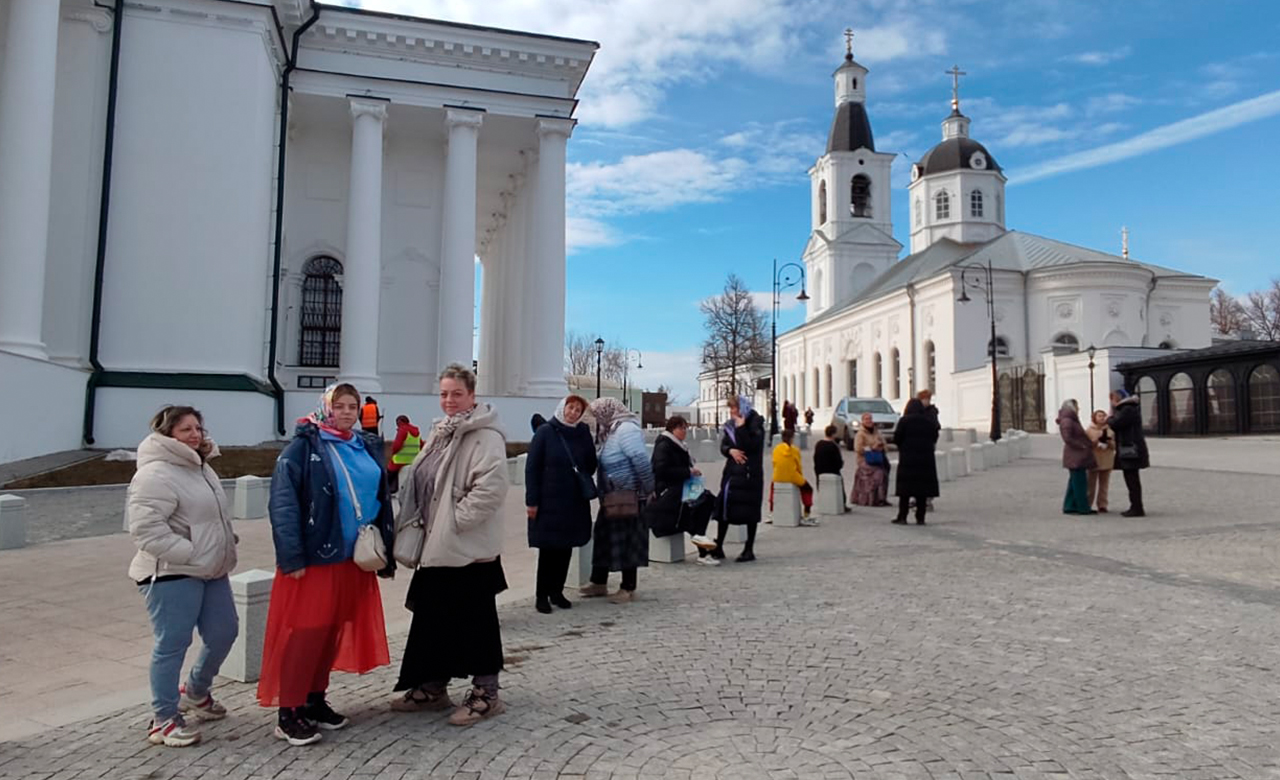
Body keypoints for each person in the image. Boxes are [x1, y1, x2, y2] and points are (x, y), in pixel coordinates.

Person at [259, 383, 395, 746]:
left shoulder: (363, 445)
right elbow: (284, 505)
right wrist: (292, 557)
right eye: (340, 406)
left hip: (353, 558)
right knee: (307, 633)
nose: (347, 412)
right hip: (316, 558)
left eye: (353, 406)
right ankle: (289, 711)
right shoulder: (303, 449)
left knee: (331, 630)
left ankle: (314, 698)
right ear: (325, 408)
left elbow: (381, 496)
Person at [392, 364, 510, 726]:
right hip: (436, 545)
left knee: (476, 621)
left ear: (472, 396)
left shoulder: (484, 436)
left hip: (467, 549)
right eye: (444, 393)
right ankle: (433, 684)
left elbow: (490, 488)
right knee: (433, 618)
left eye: (457, 393)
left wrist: (456, 521)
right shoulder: (440, 432)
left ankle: (486, 693)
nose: (449, 400)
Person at [127, 405, 239, 747]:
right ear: (167, 435)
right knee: (172, 644)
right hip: (171, 573)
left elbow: (209, 517)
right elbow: (146, 530)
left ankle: (196, 691)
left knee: (224, 632)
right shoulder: (154, 473)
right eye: (185, 430)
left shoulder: (201, 467)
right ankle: (163, 718)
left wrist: (222, 542)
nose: (195, 435)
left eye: (198, 428)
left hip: (211, 569)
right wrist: (192, 553)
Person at [525, 395, 597, 614]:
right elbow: (532, 468)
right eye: (571, 407)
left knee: (566, 547)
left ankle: (557, 591)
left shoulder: (582, 432)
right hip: (548, 501)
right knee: (548, 550)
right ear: (562, 407)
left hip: (572, 500)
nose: (573, 412)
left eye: (578, 410)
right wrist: (532, 501)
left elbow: (591, 463)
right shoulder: (546, 432)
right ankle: (541, 595)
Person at [580, 397, 654, 603]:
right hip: (612, 496)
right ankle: (598, 581)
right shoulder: (611, 430)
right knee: (604, 538)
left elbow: (640, 459)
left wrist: (648, 488)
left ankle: (628, 587)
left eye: (596, 415)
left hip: (628, 496)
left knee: (628, 542)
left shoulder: (626, 430)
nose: (594, 420)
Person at [649, 415, 719, 564]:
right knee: (695, 506)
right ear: (672, 429)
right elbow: (661, 470)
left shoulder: (679, 445)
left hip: (682, 487)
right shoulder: (665, 445)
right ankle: (702, 546)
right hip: (668, 491)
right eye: (681, 428)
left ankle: (701, 540)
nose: (684, 431)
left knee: (707, 500)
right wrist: (688, 472)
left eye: (685, 428)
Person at [713, 395, 766, 562]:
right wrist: (730, 451)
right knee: (724, 508)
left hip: (750, 474)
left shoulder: (756, 424)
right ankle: (718, 545)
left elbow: (751, 445)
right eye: (730, 409)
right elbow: (724, 445)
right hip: (732, 473)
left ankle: (748, 549)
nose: (732, 412)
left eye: (734, 408)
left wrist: (742, 428)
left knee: (750, 511)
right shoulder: (730, 426)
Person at [891, 399, 940, 525]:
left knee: (905, 490)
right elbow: (935, 436)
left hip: (908, 459)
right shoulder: (929, 421)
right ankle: (920, 517)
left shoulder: (904, 421)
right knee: (922, 491)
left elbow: (897, 438)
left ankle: (902, 516)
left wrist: (904, 446)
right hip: (925, 460)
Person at [1107, 389, 1149, 517]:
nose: (1112, 403)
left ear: (1117, 399)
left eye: (1112, 400)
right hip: (1131, 447)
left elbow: (1116, 423)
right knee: (1131, 478)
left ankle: (1137, 507)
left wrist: (1109, 418)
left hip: (1130, 448)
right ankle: (1135, 506)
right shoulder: (1129, 408)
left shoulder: (1127, 409)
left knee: (1132, 479)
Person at [1057, 399, 1097, 516]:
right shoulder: (1068, 421)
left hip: (1076, 454)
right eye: (1077, 406)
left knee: (1074, 481)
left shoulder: (1070, 419)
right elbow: (1067, 438)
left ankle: (1069, 505)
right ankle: (1082, 507)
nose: (1079, 408)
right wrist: (1082, 445)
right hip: (1076, 455)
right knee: (1080, 482)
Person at [770, 429, 816, 525]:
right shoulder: (794, 450)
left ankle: (772, 512)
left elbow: (774, 463)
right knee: (808, 489)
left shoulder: (776, 449)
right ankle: (807, 514)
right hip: (792, 476)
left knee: (773, 489)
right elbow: (798, 466)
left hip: (777, 476)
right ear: (792, 439)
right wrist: (800, 477)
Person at [850, 412, 890, 507]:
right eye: (866, 419)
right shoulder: (860, 434)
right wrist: (872, 448)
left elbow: (885, 445)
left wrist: (881, 447)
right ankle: (873, 499)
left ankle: (882, 498)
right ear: (863, 421)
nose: (869, 421)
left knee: (885, 471)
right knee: (878, 473)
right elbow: (858, 448)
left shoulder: (877, 432)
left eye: (870, 419)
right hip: (865, 460)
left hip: (878, 459)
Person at [1086, 409, 1116, 513]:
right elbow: (1087, 444)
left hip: (1106, 459)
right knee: (1091, 484)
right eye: (1099, 416)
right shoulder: (1089, 430)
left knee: (1104, 484)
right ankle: (1088, 504)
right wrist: (1096, 441)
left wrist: (1109, 443)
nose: (1102, 418)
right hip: (1094, 459)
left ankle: (1102, 504)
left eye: (1103, 416)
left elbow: (1114, 445)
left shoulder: (1109, 430)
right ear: (1094, 417)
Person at [813, 424, 847, 513]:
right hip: (832, 471)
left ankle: (824, 502)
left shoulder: (819, 444)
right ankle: (841, 504)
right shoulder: (833, 445)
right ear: (833, 434)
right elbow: (838, 461)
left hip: (820, 470)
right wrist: (840, 465)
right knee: (839, 484)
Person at [387, 414, 421, 496]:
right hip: (414, 460)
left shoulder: (403, 430)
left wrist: (393, 452)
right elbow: (421, 444)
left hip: (402, 459)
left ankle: (388, 489)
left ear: (399, 422)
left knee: (389, 472)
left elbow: (397, 446)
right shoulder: (416, 431)